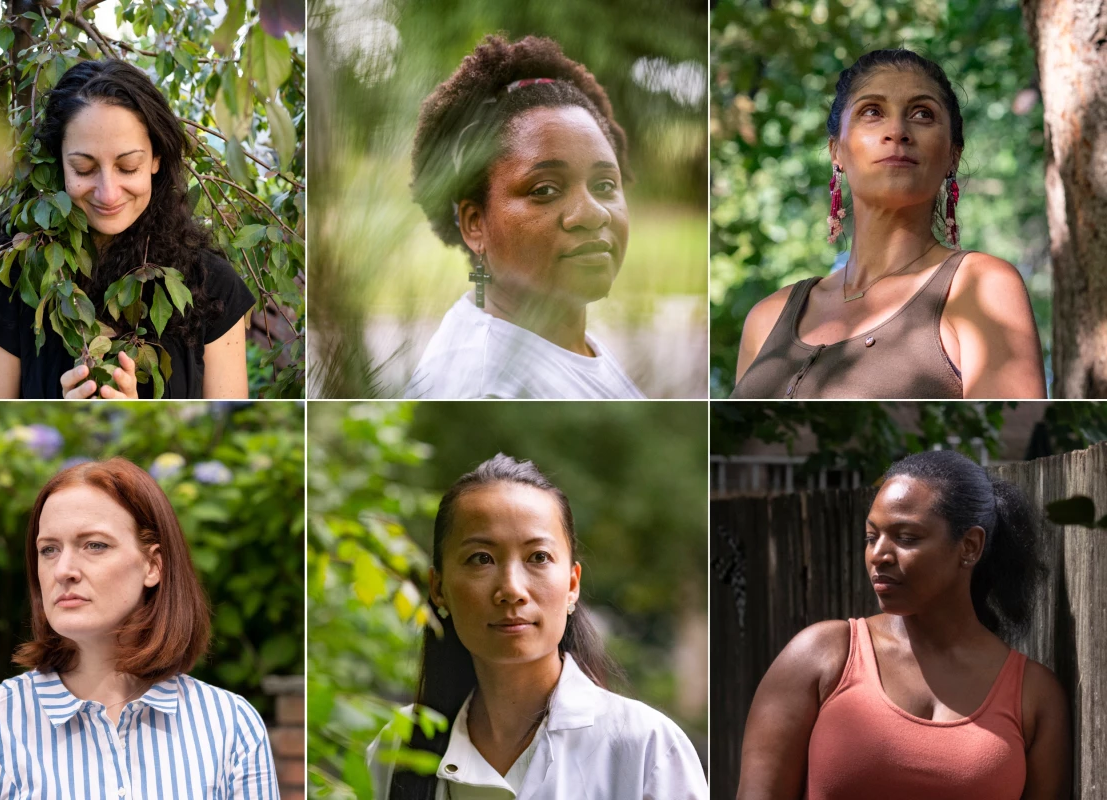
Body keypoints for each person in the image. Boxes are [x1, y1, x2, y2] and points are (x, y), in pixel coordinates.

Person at [0, 458, 279, 798]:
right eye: (48, 549)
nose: (64, 569)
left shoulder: (230, 726)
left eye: (94, 545)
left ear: (153, 566)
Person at [367, 454, 707, 799]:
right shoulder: (397, 745)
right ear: (439, 589)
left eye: (538, 557)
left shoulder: (645, 746)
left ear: (572, 585)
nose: (512, 589)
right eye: (481, 558)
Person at [737, 449, 1070, 799]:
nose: (879, 555)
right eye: (871, 536)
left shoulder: (1034, 696)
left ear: (969, 546)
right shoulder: (821, 657)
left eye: (906, 538)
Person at [732, 49, 1045, 399]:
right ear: (837, 150)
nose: (897, 131)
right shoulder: (767, 317)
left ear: (952, 155)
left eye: (922, 114)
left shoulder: (979, 286)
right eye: (872, 112)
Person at [0, 59, 255, 399]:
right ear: (58, 164)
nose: (108, 193)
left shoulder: (215, 286)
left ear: (155, 159)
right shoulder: (16, 280)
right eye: (84, 168)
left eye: (128, 166)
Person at [403, 36, 645, 399]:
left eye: (605, 184)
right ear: (474, 223)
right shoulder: (485, 386)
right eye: (545, 189)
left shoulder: (559, 340)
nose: (593, 213)